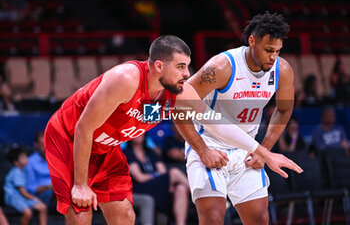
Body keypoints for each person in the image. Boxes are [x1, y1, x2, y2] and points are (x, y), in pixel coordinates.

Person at [44, 34, 302, 224]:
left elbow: (216, 122)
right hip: (69, 137)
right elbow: (82, 128)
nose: (186, 74)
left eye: (187, 66)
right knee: (81, 211)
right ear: (158, 66)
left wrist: (265, 152)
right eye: (180, 67)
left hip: (105, 147)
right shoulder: (125, 79)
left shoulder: (179, 92)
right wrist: (80, 183)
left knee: (124, 215)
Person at [174, 11, 297, 225]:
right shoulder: (222, 66)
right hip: (210, 144)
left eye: (277, 51)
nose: (273, 57)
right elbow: (179, 104)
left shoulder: (281, 70)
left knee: (259, 218)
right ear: (252, 41)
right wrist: (202, 150)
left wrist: (265, 150)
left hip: (246, 148)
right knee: (212, 217)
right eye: (268, 50)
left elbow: (284, 109)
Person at [124, 134, 189, 225]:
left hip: (157, 186)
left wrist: (161, 179)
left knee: (181, 188)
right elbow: (140, 177)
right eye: (136, 134)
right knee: (173, 172)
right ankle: (195, 192)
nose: (138, 136)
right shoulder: (127, 153)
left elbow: (163, 170)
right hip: (140, 188)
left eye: (141, 134)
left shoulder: (150, 152)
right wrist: (157, 176)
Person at [3, 147, 47, 225]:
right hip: (14, 198)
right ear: (16, 162)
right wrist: (35, 198)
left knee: (43, 207)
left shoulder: (24, 170)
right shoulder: (16, 172)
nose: (26, 159)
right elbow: (23, 192)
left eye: (25, 156)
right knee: (28, 213)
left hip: (23, 198)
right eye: (23, 158)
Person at [25, 131, 55, 209]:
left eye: (47, 144)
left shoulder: (56, 158)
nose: (45, 147)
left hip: (58, 190)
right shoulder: (30, 162)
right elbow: (31, 188)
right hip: (43, 194)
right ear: (36, 145)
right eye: (42, 145)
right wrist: (50, 187)